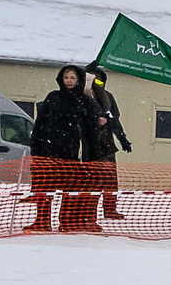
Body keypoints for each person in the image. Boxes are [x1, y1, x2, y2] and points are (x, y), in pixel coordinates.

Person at [30, 64, 100, 232]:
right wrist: (36, 146)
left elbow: (92, 131)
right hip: (49, 151)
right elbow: (40, 123)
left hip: (72, 153)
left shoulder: (86, 102)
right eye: (66, 77)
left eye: (72, 78)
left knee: (70, 190)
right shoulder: (53, 97)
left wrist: (92, 153)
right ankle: (42, 221)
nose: (69, 81)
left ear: (79, 80)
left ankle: (66, 222)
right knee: (44, 188)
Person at [85, 64, 133, 220]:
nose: (96, 83)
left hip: (106, 145)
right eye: (92, 79)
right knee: (91, 182)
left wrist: (122, 139)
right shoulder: (81, 96)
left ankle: (110, 208)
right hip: (88, 145)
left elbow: (114, 120)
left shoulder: (107, 97)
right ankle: (89, 212)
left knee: (110, 180)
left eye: (99, 81)